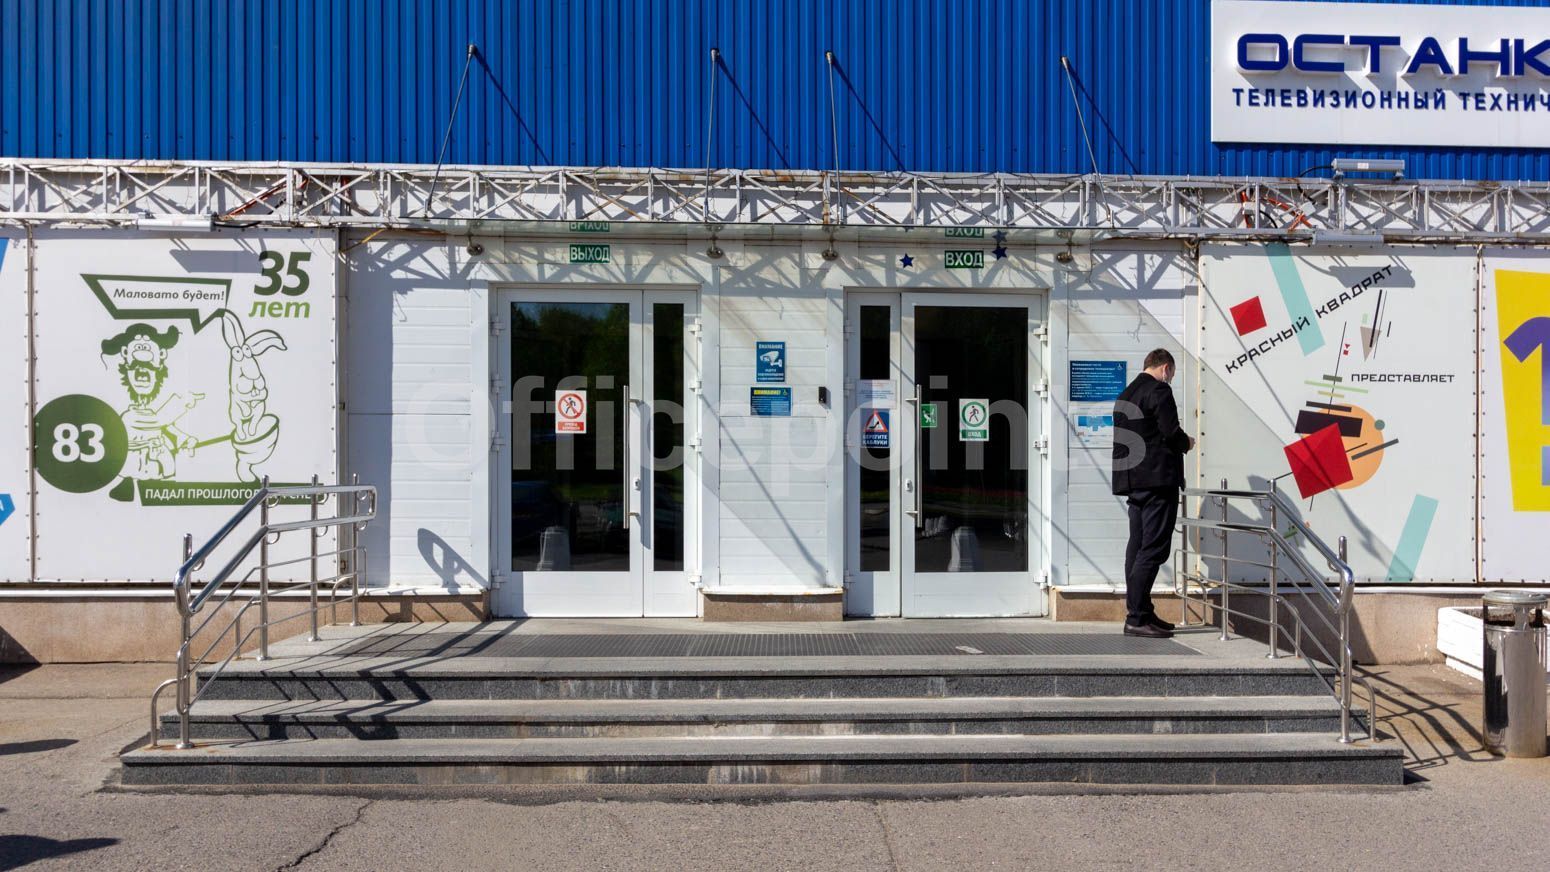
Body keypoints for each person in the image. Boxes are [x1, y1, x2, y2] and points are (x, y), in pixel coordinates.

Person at [1111, 348, 1195, 638]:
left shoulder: (1125, 395)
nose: (1170, 378)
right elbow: (1170, 431)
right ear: (1166, 368)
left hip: (1133, 482)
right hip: (1158, 481)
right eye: (1172, 373)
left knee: (1137, 546)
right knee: (1153, 548)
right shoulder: (1159, 390)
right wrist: (1187, 443)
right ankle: (1136, 617)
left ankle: (1142, 611)